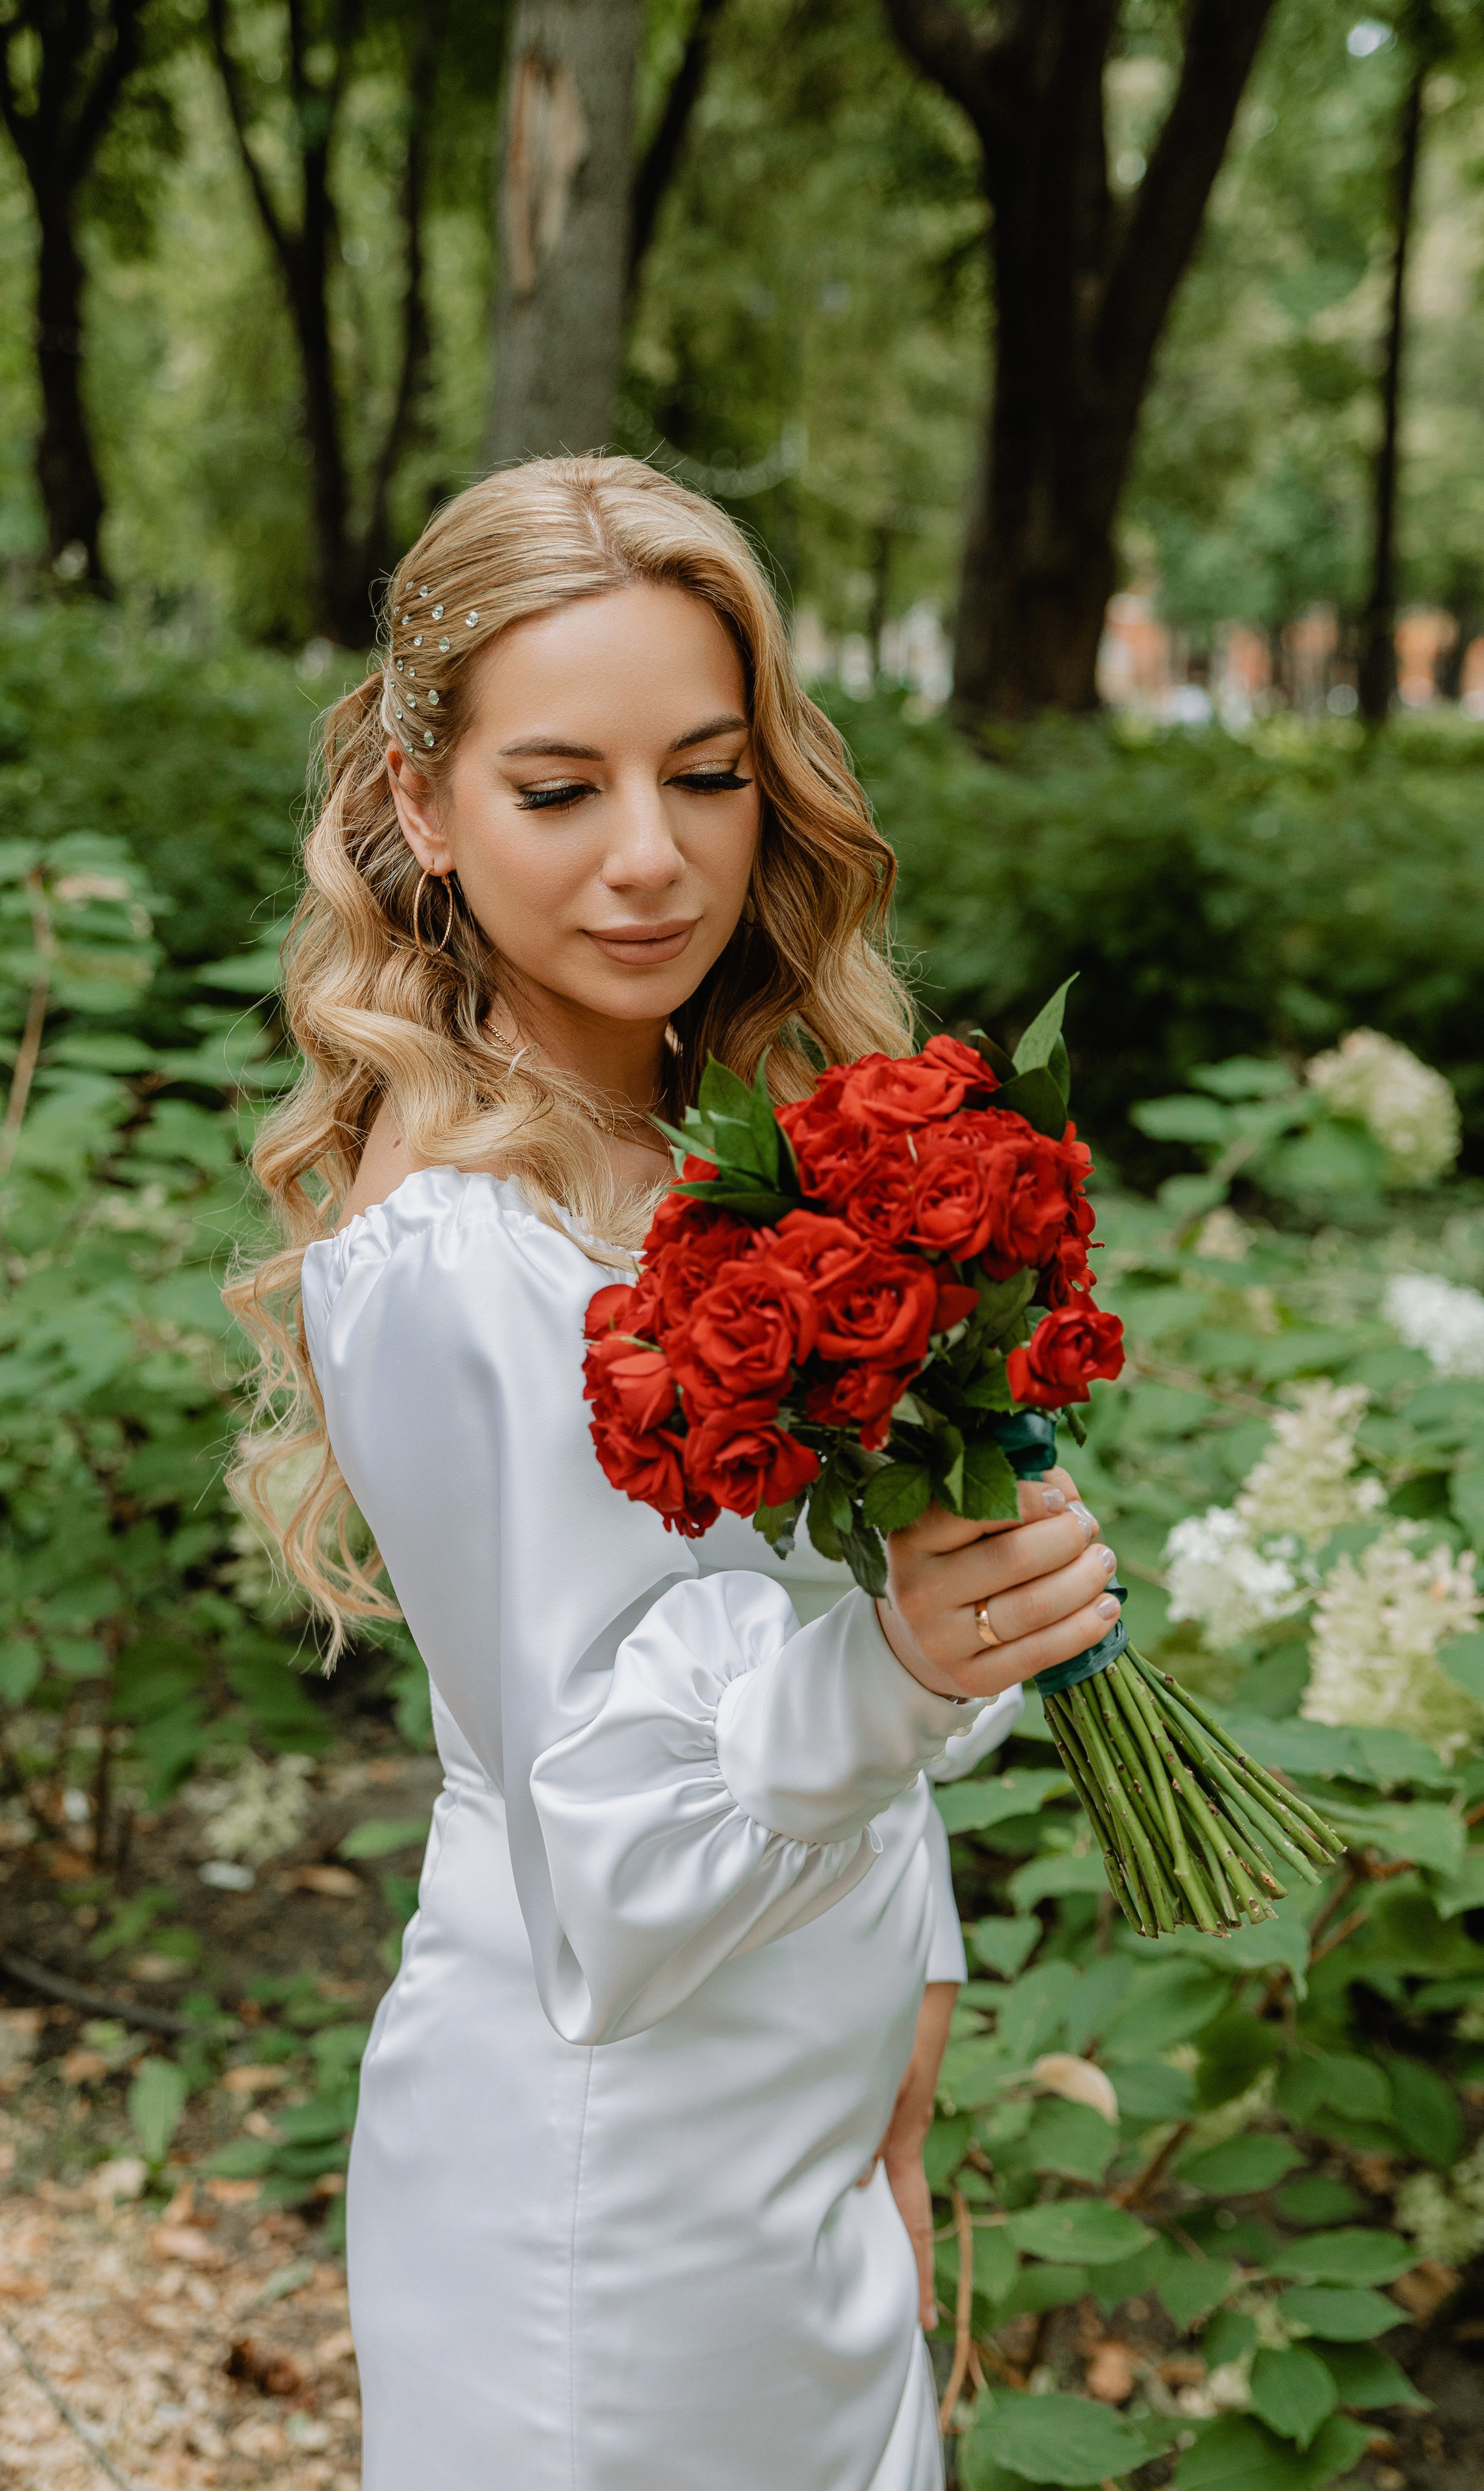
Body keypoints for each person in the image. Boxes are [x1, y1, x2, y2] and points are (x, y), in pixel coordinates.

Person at [228, 455, 1121, 2491]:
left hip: (795, 2122)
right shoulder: (461, 1252)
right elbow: (613, 1860)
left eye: (707, 776)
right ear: (417, 808)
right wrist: (916, 1663)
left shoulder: (731, 1145)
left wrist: (913, 1995)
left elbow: (791, 1670)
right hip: (606, 2173)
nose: (653, 860)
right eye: (560, 791)